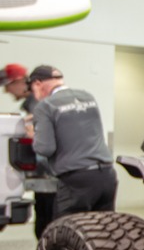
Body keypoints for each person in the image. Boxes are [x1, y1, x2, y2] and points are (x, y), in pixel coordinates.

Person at [28, 65, 116, 220]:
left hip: (77, 181)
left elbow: (45, 148)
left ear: (37, 84)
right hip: (107, 176)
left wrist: (33, 135)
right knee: (102, 232)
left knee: (65, 234)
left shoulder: (45, 106)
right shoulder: (87, 97)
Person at [0, 63, 57, 236]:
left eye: (8, 86)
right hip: (45, 174)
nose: (6, 91)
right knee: (44, 223)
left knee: (47, 225)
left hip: (50, 174)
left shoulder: (37, 103)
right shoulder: (33, 104)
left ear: (20, 82)